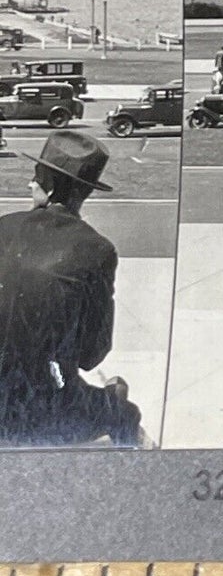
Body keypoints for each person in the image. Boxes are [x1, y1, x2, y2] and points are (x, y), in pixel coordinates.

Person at [0, 130, 142, 445]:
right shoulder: (97, 250)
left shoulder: (3, 227)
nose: (30, 184)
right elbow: (92, 354)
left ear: (48, 188)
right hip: (37, 410)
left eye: (35, 178)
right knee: (126, 412)